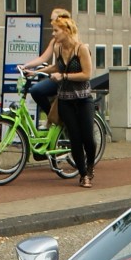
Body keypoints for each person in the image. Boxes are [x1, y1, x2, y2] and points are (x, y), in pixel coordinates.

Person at [47, 15, 96, 188]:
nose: (53, 34)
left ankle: (90, 166)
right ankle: (83, 175)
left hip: (83, 99)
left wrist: (64, 76)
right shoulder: (58, 49)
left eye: (56, 30)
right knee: (74, 138)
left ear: (66, 31)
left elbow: (87, 74)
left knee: (88, 138)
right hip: (65, 100)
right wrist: (35, 70)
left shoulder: (81, 49)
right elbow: (56, 67)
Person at [17, 7, 70, 121]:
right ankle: (53, 118)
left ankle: (56, 119)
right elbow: (43, 58)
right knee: (36, 91)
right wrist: (26, 66)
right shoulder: (54, 41)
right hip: (55, 76)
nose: (51, 22)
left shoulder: (69, 42)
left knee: (37, 90)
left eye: (53, 19)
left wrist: (37, 71)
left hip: (65, 79)